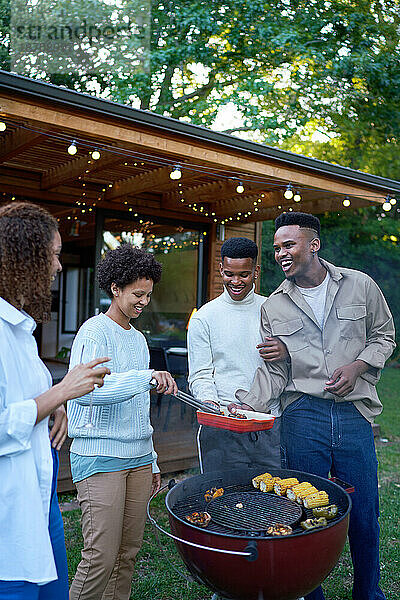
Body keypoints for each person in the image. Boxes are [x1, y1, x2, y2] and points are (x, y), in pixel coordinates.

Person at [236, 212, 395, 600]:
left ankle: (368, 593)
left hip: (353, 414)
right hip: (302, 415)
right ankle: (311, 594)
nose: (280, 254)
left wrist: (359, 366)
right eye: (276, 248)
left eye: (288, 245)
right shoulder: (273, 307)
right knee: (303, 511)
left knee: (364, 511)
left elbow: (384, 336)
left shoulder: (360, 285)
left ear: (314, 244)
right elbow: (275, 372)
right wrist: (242, 407)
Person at [0, 202, 110, 600]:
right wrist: (61, 391)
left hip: (40, 494)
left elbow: (27, 397)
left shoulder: (20, 329)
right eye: (53, 255)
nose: (58, 266)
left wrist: (54, 405)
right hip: (8, 510)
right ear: (22, 258)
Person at [68, 244, 178, 600]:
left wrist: (153, 458)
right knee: (100, 557)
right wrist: (144, 377)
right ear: (115, 288)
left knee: (126, 555)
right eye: (137, 294)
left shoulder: (138, 338)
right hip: (99, 457)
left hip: (138, 459)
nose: (144, 302)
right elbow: (86, 390)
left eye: (148, 294)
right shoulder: (94, 332)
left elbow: (137, 408)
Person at [187, 236, 287, 473]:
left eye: (243, 274)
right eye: (229, 274)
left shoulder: (272, 311)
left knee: (271, 499)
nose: (235, 281)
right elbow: (200, 374)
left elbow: (284, 368)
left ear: (256, 271)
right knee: (220, 497)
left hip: (268, 421)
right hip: (222, 421)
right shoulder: (204, 317)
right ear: (221, 269)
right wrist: (208, 401)